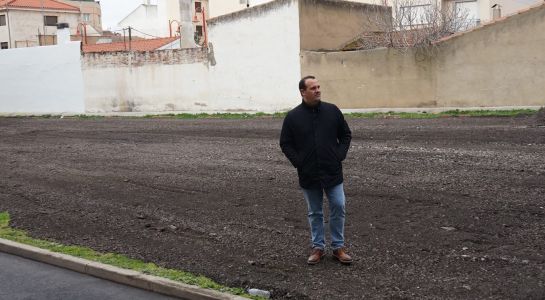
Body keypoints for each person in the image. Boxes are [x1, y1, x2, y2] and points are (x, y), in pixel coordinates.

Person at [280, 75, 353, 265]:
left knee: (339, 205)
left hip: (332, 171)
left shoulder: (332, 111)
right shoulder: (293, 117)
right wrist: (299, 162)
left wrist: (339, 155)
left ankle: (338, 247)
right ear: (303, 92)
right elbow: (285, 143)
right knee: (315, 212)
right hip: (309, 173)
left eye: (319, 87)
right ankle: (318, 247)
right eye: (313, 88)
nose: (318, 90)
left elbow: (345, 135)